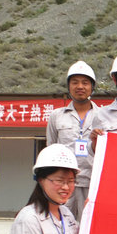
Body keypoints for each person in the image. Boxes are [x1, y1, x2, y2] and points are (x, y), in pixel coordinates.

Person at [46, 61, 98, 220]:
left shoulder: (103, 116)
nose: (80, 86)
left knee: (88, 226)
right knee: (61, 224)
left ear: (92, 87)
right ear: (68, 86)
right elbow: (51, 148)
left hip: (92, 184)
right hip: (63, 185)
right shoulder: (56, 116)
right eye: (75, 82)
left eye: (85, 82)